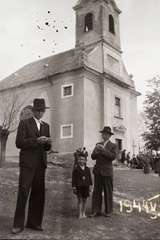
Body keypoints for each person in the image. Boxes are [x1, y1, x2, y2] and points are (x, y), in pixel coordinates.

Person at [11, 98, 52, 234]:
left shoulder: (46, 126)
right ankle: (18, 224)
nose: (40, 113)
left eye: (42, 111)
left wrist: (48, 143)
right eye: (38, 111)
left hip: (41, 163)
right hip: (27, 163)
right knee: (23, 192)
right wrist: (36, 141)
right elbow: (19, 143)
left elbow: (46, 147)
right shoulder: (24, 123)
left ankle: (34, 222)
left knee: (38, 193)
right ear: (33, 111)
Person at [90, 126, 118, 218]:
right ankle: (96, 211)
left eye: (105, 134)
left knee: (108, 191)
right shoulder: (98, 144)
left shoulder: (114, 145)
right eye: (103, 134)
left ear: (109, 136)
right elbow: (93, 157)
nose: (104, 136)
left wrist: (103, 150)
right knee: (96, 191)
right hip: (98, 171)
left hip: (107, 171)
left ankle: (108, 211)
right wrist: (96, 151)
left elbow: (113, 156)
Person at [72, 153, 92, 219]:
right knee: (80, 200)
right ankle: (80, 214)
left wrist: (91, 185)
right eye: (80, 159)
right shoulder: (75, 169)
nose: (81, 161)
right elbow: (73, 179)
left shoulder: (87, 169)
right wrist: (74, 187)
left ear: (85, 161)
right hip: (79, 186)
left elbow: (89, 177)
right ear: (77, 160)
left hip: (86, 186)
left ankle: (84, 213)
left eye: (83, 160)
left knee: (85, 199)